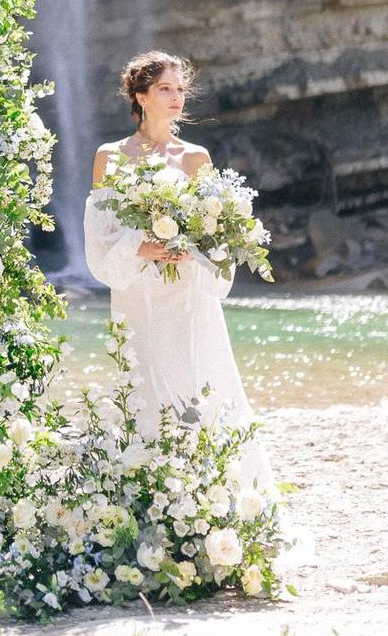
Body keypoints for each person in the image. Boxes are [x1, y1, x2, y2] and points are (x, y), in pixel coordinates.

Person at [84, 50, 274, 490]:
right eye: (165, 89)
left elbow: (219, 231)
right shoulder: (109, 157)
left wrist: (195, 249)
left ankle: (213, 494)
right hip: (137, 293)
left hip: (188, 294)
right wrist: (142, 245)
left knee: (199, 380)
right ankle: (151, 493)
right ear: (141, 95)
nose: (176, 98)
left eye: (180, 90)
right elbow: (100, 235)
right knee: (145, 384)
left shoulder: (195, 158)